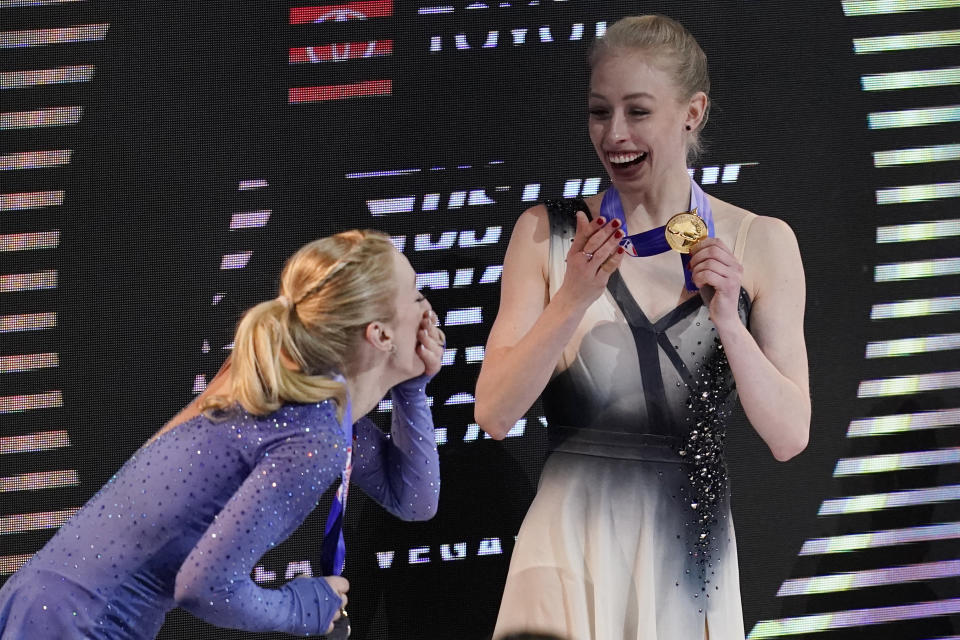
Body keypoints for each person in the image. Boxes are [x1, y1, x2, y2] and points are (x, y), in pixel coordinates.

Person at [475, 15, 809, 640]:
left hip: (687, 559)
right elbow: (494, 412)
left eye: (637, 111)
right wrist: (571, 298)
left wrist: (729, 324)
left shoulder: (759, 242)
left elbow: (790, 436)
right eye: (600, 112)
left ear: (693, 112)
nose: (615, 134)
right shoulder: (548, 234)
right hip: (566, 553)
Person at [0, 230, 445, 639]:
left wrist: (412, 390)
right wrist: (303, 608)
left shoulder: (306, 400)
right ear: (380, 333)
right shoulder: (312, 436)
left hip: (48, 605)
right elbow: (206, 585)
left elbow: (413, 500)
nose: (429, 311)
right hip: (78, 624)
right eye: (416, 296)